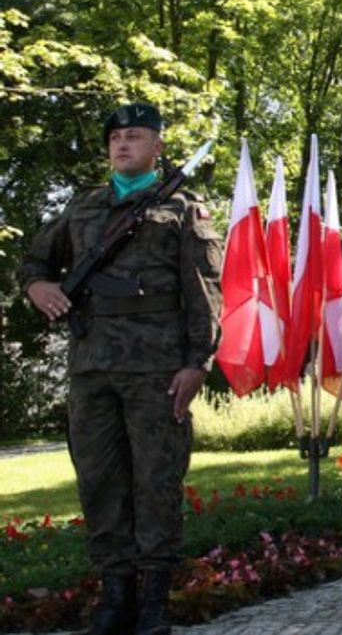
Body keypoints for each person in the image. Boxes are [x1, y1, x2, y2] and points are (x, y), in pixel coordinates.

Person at [19, 102, 223, 635]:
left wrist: (197, 362)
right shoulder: (84, 206)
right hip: (92, 367)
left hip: (157, 369)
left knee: (157, 480)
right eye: (115, 138)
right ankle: (115, 595)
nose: (122, 144)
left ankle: (154, 600)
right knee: (99, 480)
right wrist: (38, 287)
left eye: (134, 136)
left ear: (157, 146)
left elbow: (204, 293)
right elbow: (34, 262)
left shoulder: (182, 209)